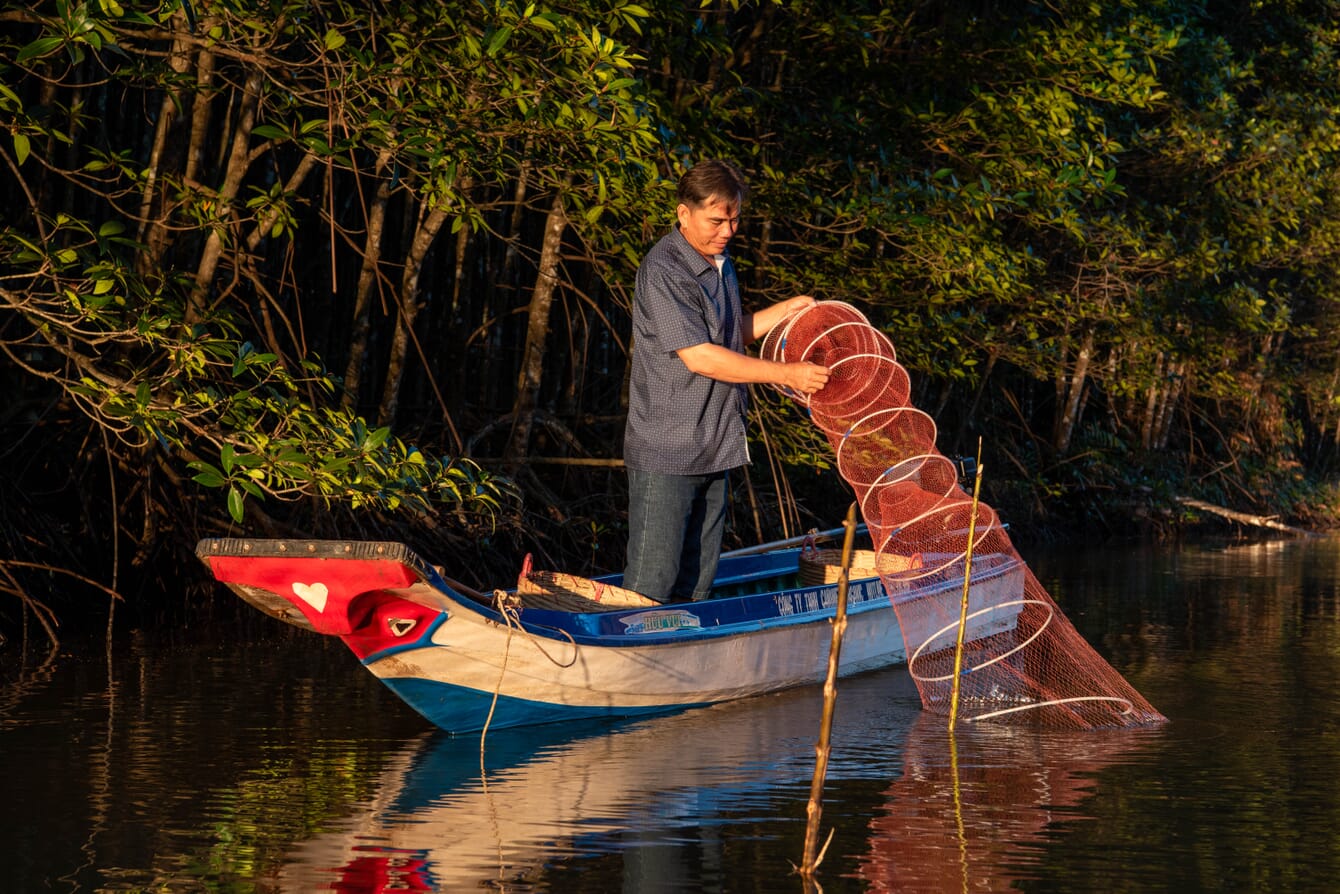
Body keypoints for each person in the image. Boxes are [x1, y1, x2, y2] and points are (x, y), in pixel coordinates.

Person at [622, 160, 830, 604]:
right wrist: (787, 374)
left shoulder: (720, 261)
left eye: (734, 218)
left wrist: (786, 311)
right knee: (650, 589)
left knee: (697, 586)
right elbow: (701, 357)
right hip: (669, 450)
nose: (729, 230)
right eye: (717, 220)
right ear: (684, 214)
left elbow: (727, 334)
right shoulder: (664, 271)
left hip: (716, 446)